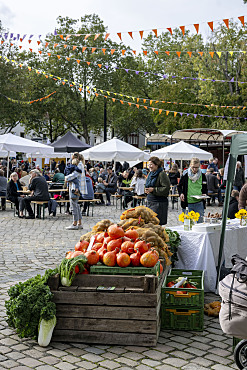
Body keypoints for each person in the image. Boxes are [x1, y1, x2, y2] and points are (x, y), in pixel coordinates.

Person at [178, 157, 208, 223]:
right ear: (190, 166)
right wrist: (181, 193)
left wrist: (205, 194)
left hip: (199, 202)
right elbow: (179, 186)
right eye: (193, 167)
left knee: (200, 223)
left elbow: (205, 187)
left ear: (199, 166)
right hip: (188, 203)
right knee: (187, 223)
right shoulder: (185, 175)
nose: (194, 169)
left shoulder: (202, 176)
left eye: (197, 167)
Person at [145, 156, 170, 225]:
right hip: (150, 201)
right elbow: (148, 185)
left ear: (156, 165)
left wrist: (153, 190)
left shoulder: (162, 174)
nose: (149, 166)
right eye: (148, 164)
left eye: (151, 164)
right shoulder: (150, 174)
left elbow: (166, 188)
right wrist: (147, 190)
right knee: (149, 223)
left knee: (156, 224)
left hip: (159, 203)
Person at [65, 153, 87, 230]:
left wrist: (66, 177)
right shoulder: (81, 164)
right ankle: (79, 223)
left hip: (74, 188)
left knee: (73, 205)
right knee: (76, 205)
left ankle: (75, 224)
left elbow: (75, 174)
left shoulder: (79, 164)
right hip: (77, 188)